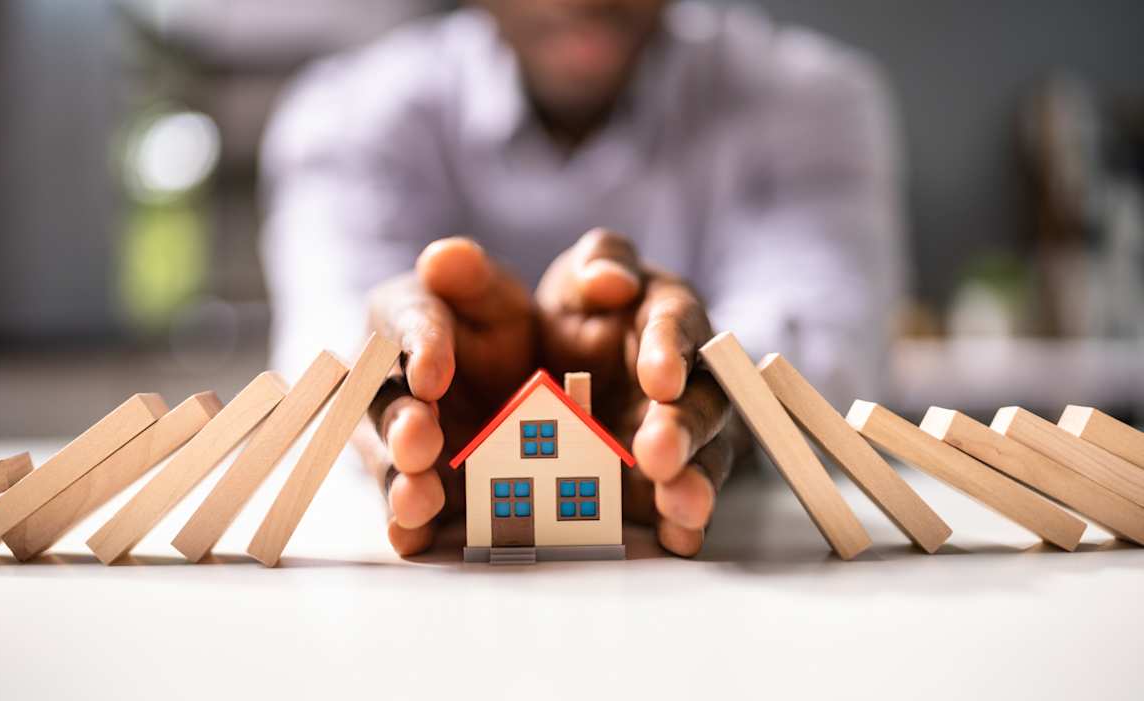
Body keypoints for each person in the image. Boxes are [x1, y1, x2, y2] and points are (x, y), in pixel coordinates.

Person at [259, 0, 905, 558]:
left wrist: (706, 401)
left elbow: (827, 354)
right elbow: (323, 353)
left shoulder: (808, 97)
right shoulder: (347, 113)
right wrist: (396, 393)